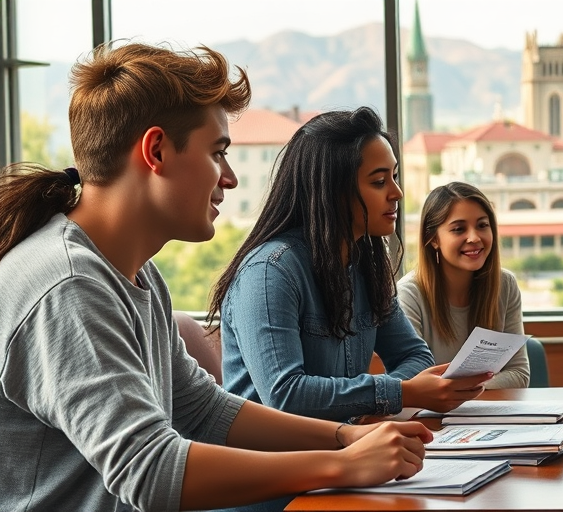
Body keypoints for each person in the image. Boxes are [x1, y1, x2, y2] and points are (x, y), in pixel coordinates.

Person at [0, 43, 431, 512]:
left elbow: (202, 409)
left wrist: (347, 436)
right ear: (156, 150)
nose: (230, 178)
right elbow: (151, 471)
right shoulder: (70, 287)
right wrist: (344, 463)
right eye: (218, 153)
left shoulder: (137, 273)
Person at [210, 110, 489, 440]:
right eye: (379, 182)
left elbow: (415, 355)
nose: (396, 193)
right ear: (332, 190)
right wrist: (399, 394)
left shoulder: (366, 265)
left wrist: (373, 413)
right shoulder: (270, 272)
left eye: (395, 177)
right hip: (277, 479)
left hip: (346, 456)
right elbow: (285, 395)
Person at [398, 182, 530, 389]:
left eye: (482, 225)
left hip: (491, 415)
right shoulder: (409, 294)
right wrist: (475, 386)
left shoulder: (505, 285)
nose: (474, 237)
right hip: (430, 418)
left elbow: (519, 374)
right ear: (433, 239)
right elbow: (412, 384)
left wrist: (457, 390)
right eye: (459, 229)